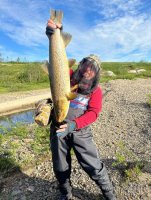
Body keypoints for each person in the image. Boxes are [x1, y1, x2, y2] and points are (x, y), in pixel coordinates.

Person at [46, 19, 116, 200]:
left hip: (80, 131)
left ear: (96, 74)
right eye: (86, 67)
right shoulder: (69, 76)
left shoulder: (96, 91)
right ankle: (66, 193)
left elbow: (93, 113)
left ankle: (109, 194)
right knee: (60, 165)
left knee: (92, 164)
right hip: (58, 128)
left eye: (92, 70)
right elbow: (57, 62)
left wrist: (74, 125)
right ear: (81, 66)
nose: (87, 72)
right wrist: (52, 34)